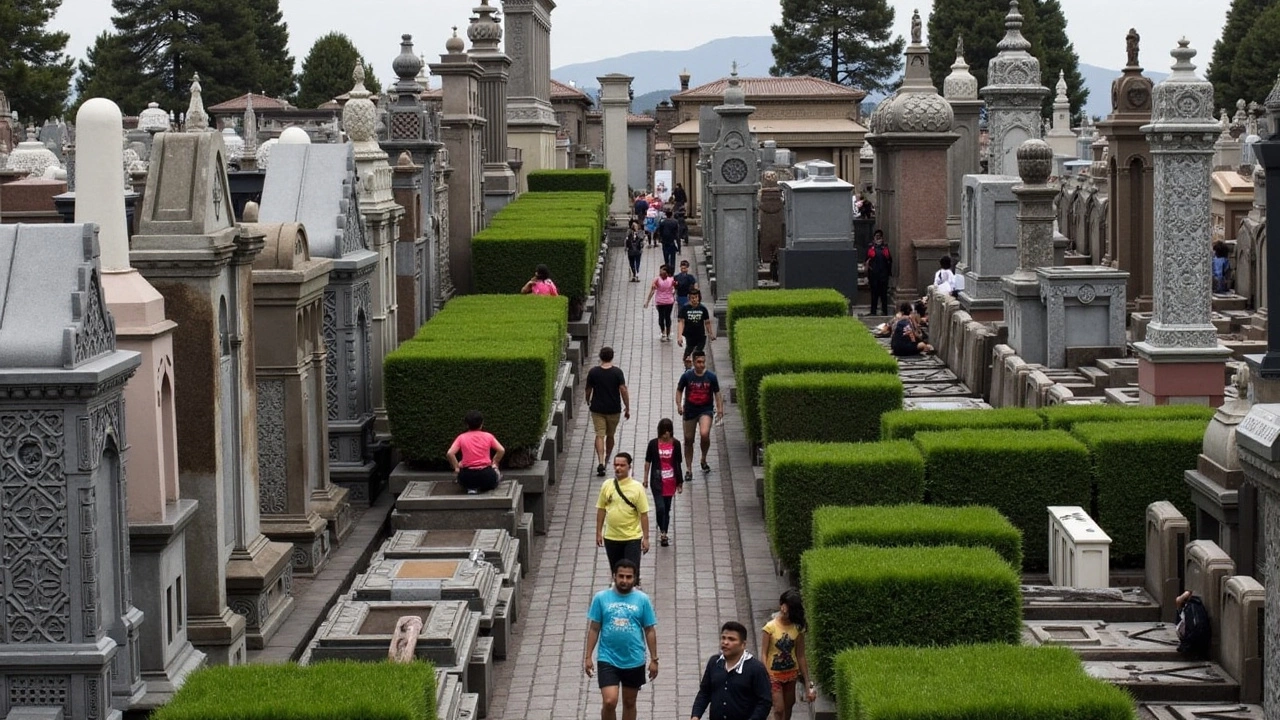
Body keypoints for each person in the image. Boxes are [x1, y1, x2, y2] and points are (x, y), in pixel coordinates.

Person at [585, 559, 659, 720]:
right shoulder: (601, 598)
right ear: (614, 576)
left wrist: (654, 659)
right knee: (610, 701)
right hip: (608, 658)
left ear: (635, 578)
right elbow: (594, 628)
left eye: (628, 577)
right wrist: (588, 656)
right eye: (621, 576)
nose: (624, 581)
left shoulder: (642, 600)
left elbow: (649, 630)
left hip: (634, 659)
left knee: (630, 701)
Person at [690, 621, 773, 720]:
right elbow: (704, 692)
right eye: (723, 638)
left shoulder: (756, 669)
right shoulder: (714, 662)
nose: (725, 642)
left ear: (743, 644)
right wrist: (695, 715)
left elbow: (764, 702)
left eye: (731, 639)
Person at [761, 590, 816, 720]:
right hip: (773, 675)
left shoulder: (797, 629)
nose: (786, 611)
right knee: (779, 709)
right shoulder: (770, 628)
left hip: (791, 674)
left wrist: (807, 681)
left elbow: (801, 655)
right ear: (782, 605)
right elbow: (763, 653)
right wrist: (765, 675)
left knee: (789, 706)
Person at [595, 453, 651, 579]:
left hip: (631, 537)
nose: (618, 468)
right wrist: (598, 532)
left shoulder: (637, 488)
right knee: (616, 571)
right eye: (615, 465)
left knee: (632, 570)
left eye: (622, 465)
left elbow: (644, 515)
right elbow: (601, 509)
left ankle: (634, 589)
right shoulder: (607, 485)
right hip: (611, 537)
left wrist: (646, 538)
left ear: (629, 467)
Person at [676, 350, 723, 482]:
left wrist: (720, 409)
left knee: (704, 433)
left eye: (703, 362)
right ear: (694, 361)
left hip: (705, 409)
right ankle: (689, 469)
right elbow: (679, 390)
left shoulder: (711, 377)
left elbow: (717, 393)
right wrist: (679, 405)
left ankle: (703, 458)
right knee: (688, 439)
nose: (701, 365)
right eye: (699, 362)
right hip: (690, 410)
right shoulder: (687, 376)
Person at [586, 347, 631, 477]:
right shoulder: (617, 372)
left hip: (597, 408)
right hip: (613, 409)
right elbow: (623, 389)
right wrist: (627, 407)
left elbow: (588, 389)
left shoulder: (593, 372)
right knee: (610, 435)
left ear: (600, 357)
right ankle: (606, 461)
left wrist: (588, 400)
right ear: (612, 357)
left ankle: (600, 460)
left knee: (599, 434)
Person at [642, 418, 684, 547]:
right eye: (663, 432)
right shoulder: (653, 444)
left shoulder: (676, 444)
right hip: (657, 480)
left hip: (670, 480)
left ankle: (664, 532)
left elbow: (678, 463)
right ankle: (662, 531)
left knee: (667, 508)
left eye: (668, 432)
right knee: (660, 508)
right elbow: (648, 461)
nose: (666, 435)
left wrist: (679, 482)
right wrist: (645, 478)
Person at [446, 410, 505, 494]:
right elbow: (501, 450)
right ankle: (484, 485)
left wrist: (457, 467)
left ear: (467, 424)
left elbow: (450, 453)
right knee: (495, 472)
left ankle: (471, 488)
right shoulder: (488, 436)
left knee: (462, 471)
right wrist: (494, 462)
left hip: (467, 476)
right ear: (482, 423)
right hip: (487, 475)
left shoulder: (461, 437)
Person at [678, 289, 714, 370]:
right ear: (689, 298)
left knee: (697, 354)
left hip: (700, 336)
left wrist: (710, 333)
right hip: (689, 336)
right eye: (692, 298)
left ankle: (698, 371)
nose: (694, 300)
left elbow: (707, 322)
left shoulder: (703, 308)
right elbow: (681, 322)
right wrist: (679, 336)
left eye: (696, 297)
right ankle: (688, 370)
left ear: (699, 298)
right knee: (687, 356)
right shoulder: (685, 308)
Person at [643, 264, 677, 342]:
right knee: (661, 318)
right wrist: (647, 302)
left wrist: (674, 293)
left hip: (669, 302)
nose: (661, 272)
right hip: (660, 302)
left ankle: (668, 333)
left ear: (667, 272)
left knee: (667, 317)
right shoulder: (657, 280)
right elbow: (652, 291)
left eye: (663, 270)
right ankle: (663, 332)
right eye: (660, 270)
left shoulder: (671, 280)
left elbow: (675, 288)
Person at [865, 230, 892, 315]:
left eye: (879, 236)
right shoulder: (870, 247)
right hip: (873, 275)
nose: (878, 238)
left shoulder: (885, 248)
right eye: (876, 236)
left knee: (883, 294)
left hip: (883, 275)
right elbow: (866, 260)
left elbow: (890, 260)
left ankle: (884, 311)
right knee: (874, 294)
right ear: (874, 237)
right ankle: (873, 312)